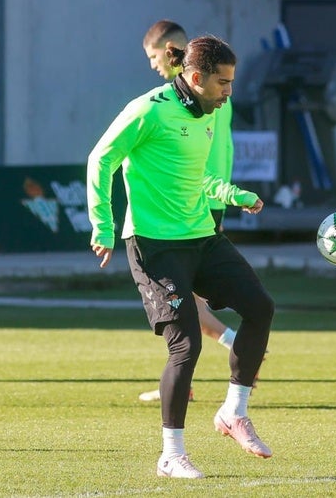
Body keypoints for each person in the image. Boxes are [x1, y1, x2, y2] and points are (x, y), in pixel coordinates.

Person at [87, 35, 274, 479]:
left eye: (231, 82)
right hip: (153, 244)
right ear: (195, 78)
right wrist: (103, 225)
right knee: (186, 344)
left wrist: (233, 193)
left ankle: (234, 412)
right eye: (223, 83)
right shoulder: (148, 110)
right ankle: (171, 454)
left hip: (201, 237)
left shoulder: (209, 112)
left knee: (261, 308)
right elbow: (101, 159)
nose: (229, 91)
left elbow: (195, 175)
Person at [137, 19, 240, 402]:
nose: (153, 65)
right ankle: (188, 375)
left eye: (153, 56)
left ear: (171, 50)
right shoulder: (196, 90)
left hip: (195, 201)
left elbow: (202, 157)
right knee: (181, 298)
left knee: (177, 295)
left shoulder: (202, 92)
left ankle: (233, 343)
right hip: (207, 199)